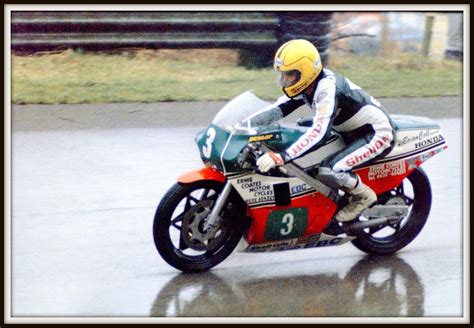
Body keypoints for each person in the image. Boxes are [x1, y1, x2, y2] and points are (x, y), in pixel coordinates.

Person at [251, 39, 395, 223]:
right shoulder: (308, 85)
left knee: (329, 169)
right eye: (283, 75)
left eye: (289, 75)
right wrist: (242, 125)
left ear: (305, 72)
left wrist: (282, 157)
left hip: (375, 134)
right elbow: (277, 108)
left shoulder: (326, 89)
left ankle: (363, 197)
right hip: (348, 130)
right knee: (303, 148)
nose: (284, 80)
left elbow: (319, 133)